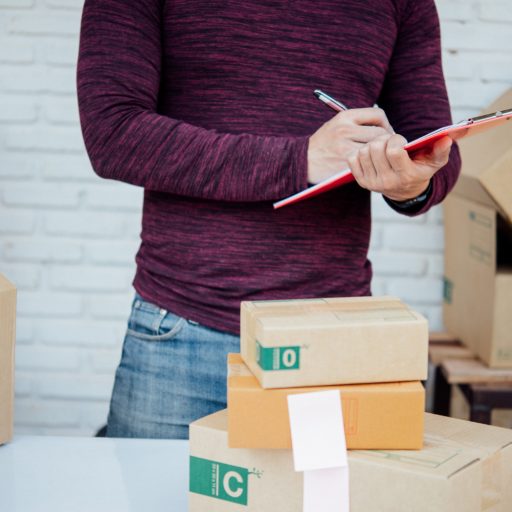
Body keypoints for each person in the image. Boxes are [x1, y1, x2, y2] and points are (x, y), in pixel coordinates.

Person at [77, 0, 461, 439]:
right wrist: (300, 160)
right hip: (182, 331)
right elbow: (113, 132)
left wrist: (408, 182)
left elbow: (437, 151)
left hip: (332, 336)